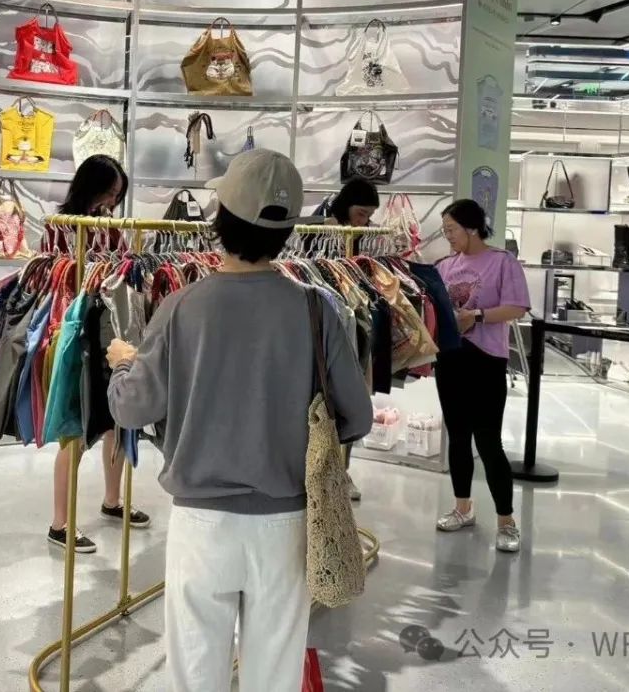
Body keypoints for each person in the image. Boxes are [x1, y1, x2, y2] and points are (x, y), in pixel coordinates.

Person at [105, 149, 373, 691]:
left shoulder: (181, 307)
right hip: (286, 523)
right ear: (288, 231)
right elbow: (356, 416)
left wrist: (121, 366)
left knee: (194, 672)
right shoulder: (316, 310)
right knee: (273, 674)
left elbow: (132, 408)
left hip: (201, 523)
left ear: (220, 218)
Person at [45, 154, 150, 554]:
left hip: (109, 330)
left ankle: (112, 500)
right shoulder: (60, 227)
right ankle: (60, 523)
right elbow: (55, 282)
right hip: (73, 332)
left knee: (117, 421)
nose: (112, 202)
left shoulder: (113, 230)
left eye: (117, 195)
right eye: (108, 192)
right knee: (73, 429)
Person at [435, 199, 530, 553]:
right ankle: (463, 508)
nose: (448, 236)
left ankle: (507, 521)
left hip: (486, 359)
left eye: (451, 229)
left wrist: (475, 316)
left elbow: (517, 307)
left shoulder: (502, 262)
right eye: (445, 230)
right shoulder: (444, 266)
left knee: (488, 441)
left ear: (472, 228)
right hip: (450, 358)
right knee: (458, 437)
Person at [321, 177, 380, 501]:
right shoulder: (320, 230)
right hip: (325, 319)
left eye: (369, 215)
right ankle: (323, 470)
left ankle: (343, 471)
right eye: (361, 213)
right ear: (346, 206)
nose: (364, 220)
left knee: (349, 396)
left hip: (353, 321)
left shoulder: (367, 236)